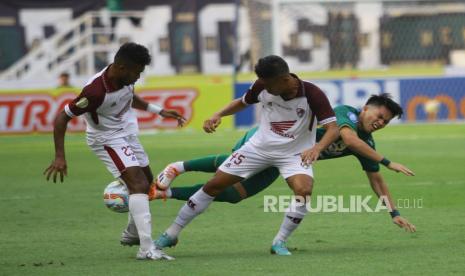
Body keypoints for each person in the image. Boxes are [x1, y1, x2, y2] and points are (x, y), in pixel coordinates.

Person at [150, 94, 416, 238]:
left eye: (387, 121)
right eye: (380, 115)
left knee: (233, 195)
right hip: (269, 140)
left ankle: (166, 193)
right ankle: (178, 167)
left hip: (286, 161)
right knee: (229, 172)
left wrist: (393, 213)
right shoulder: (347, 112)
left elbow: (376, 180)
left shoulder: (366, 142)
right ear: (366, 108)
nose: (381, 122)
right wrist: (389, 162)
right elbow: (348, 139)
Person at [153, 55, 339, 256]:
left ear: (285, 80)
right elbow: (242, 102)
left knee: (303, 191)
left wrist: (317, 148)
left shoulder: (312, 94)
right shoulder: (262, 85)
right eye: (262, 83)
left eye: (269, 84)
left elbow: (333, 129)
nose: (265, 88)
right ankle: (172, 233)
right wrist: (218, 114)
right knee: (214, 185)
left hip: (293, 154)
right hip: (258, 149)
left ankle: (279, 242)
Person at [43, 42, 186, 261]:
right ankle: (146, 248)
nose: (138, 77)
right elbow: (63, 117)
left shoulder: (123, 78)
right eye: (136, 72)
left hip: (124, 132)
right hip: (105, 138)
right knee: (137, 185)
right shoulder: (95, 92)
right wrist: (60, 156)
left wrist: (159, 111)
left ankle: (131, 234)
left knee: (147, 185)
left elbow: (129, 97)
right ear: (121, 67)